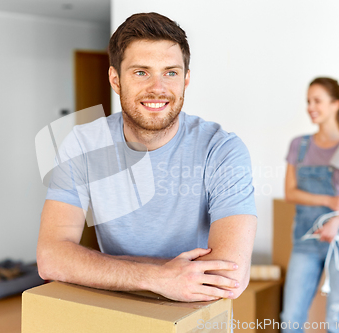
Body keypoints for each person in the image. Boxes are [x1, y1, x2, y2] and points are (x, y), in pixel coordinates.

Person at [36, 12, 257, 303]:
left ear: (186, 79)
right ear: (115, 79)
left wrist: (100, 267)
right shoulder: (83, 144)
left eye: (171, 72)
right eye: (141, 72)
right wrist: (160, 277)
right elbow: (51, 257)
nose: (158, 88)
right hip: (120, 310)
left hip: (196, 316)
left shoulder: (221, 149)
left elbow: (227, 279)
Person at [280, 78, 339, 332]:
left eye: (317, 100)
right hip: (306, 240)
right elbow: (290, 192)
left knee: (338, 321)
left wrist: (336, 221)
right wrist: (329, 201)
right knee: (291, 318)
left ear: (336, 104)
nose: (310, 107)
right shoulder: (300, 145)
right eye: (308, 101)